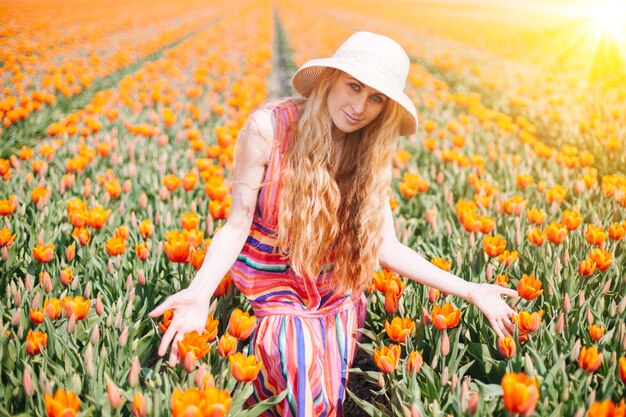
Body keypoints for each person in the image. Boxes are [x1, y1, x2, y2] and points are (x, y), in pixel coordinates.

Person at [149, 31, 518, 416]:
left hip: (336, 295)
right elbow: (237, 224)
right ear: (330, 79)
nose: (360, 107)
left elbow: (385, 247)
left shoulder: (369, 147)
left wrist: (471, 289)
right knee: (296, 360)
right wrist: (200, 292)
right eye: (354, 86)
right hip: (277, 290)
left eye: (376, 98)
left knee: (323, 399)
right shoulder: (268, 130)